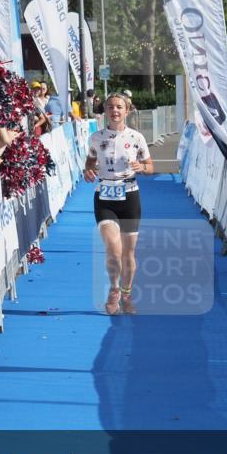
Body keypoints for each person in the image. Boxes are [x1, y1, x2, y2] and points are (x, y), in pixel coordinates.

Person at [82, 92, 154, 315]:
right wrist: (88, 171)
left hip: (130, 196)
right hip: (105, 196)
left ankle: (127, 293)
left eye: (119, 107)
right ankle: (114, 290)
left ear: (127, 111)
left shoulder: (137, 138)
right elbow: (91, 161)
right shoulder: (95, 138)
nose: (115, 111)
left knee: (128, 254)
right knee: (114, 250)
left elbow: (150, 166)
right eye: (111, 107)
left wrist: (143, 168)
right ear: (105, 110)